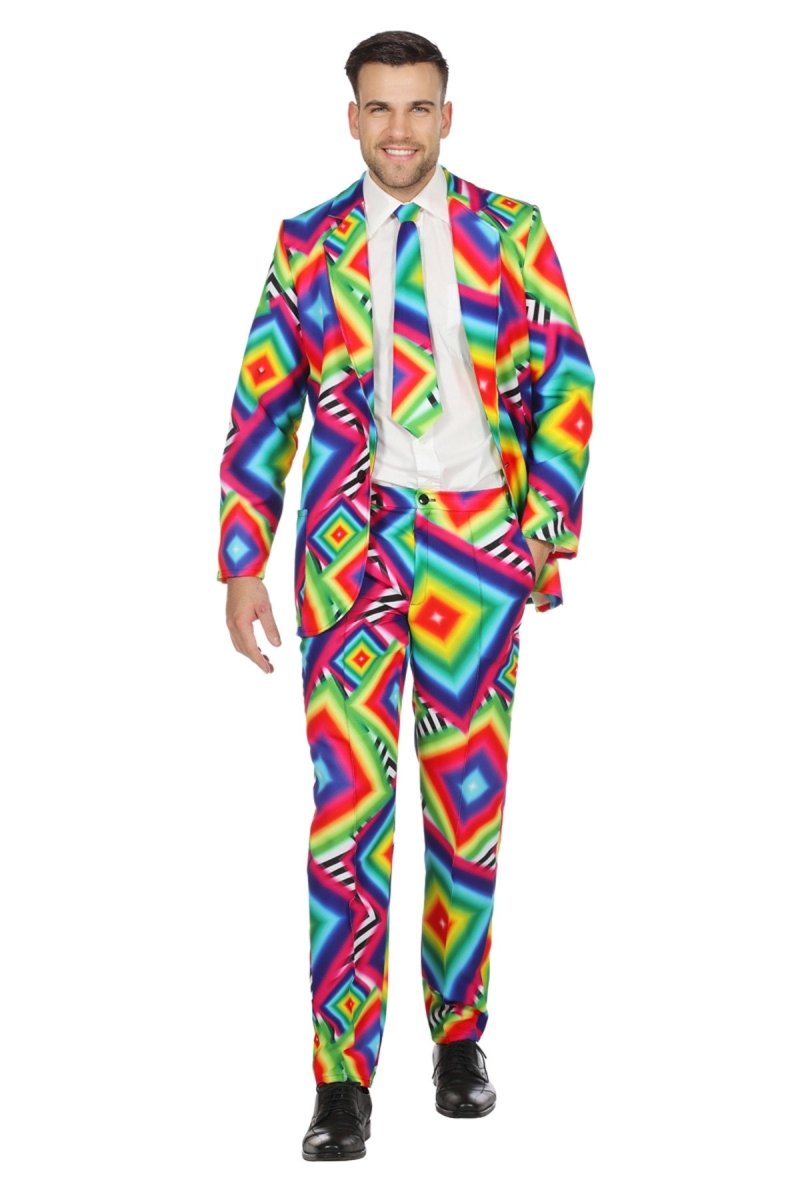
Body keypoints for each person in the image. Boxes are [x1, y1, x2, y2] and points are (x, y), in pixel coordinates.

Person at [217, 29, 595, 1162]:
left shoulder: (511, 232)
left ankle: (459, 1040)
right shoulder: (307, 245)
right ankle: (341, 1079)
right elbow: (263, 403)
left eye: (417, 108)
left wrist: (540, 534)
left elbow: (568, 383)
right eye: (378, 108)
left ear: (446, 116)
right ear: (351, 118)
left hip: (477, 549)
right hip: (351, 551)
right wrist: (242, 558)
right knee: (348, 810)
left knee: (466, 812)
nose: (398, 130)